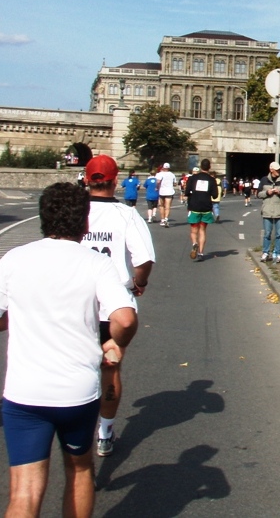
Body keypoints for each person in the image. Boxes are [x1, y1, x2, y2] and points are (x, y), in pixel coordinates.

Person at [0, 182, 138, 518]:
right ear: (84, 223)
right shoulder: (96, 263)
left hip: (25, 394)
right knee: (80, 470)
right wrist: (115, 343)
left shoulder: (15, 259)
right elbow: (125, 319)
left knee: (23, 493)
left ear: (43, 219)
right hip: (76, 393)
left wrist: (18, 318)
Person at [82, 154, 155, 457]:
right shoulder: (127, 215)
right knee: (111, 365)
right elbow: (143, 260)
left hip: (76, 302)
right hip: (113, 307)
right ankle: (105, 432)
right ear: (116, 181)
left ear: (87, 180)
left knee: (76, 367)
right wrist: (140, 283)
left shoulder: (74, 211)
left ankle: (76, 429)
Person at [257, 161, 280, 263]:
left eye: (279, 170)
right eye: (277, 170)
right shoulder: (264, 180)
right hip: (267, 211)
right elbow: (258, 194)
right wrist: (267, 192)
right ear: (271, 170)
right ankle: (266, 252)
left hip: (279, 211)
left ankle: (278, 253)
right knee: (267, 234)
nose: (278, 171)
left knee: (279, 234)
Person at [184, 159, 218, 262]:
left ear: (200, 166)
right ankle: (201, 253)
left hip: (194, 206)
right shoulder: (212, 180)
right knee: (202, 230)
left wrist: (193, 194)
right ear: (209, 167)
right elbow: (215, 195)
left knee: (194, 230)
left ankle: (194, 243)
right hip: (206, 207)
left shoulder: (193, 178)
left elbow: (186, 192)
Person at [155, 162, 177, 227]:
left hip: (162, 191)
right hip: (170, 191)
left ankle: (162, 219)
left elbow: (158, 181)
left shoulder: (160, 174)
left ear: (163, 167)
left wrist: (156, 187)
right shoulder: (172, 174)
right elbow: (175, 183)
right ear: (169, 168)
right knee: (167, 206)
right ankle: (166, 219)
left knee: (161, 206)